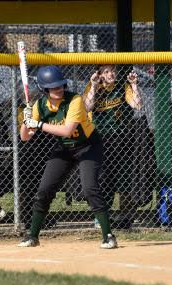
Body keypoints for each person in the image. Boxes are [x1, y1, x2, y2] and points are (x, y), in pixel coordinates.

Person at [18, 65, 117, 249]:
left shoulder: (75, 100)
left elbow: (67, 130)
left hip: (88, 146)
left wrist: (38, 124)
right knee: (44, 191)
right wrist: (26, 120)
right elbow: (25, 137)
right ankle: (32, 236)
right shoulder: (39, 105)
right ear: (44, 89)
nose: (59, 89)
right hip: (64, 149)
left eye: (61, 85)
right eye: (53, 87)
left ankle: (108, 235)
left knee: (90, 189)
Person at [82, 65, 142, 229]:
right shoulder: (93, 86)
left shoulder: (123, 87)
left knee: (115, 177)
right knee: (101, 177)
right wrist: (94, 86)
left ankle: (113, 215)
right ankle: (100, 215)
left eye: (113, 71)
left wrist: (134, 85)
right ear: (100, 75)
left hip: (119, 139)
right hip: (98, 138)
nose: (111, 74)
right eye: (106, 71)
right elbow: (87, 107)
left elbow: (137, 105)